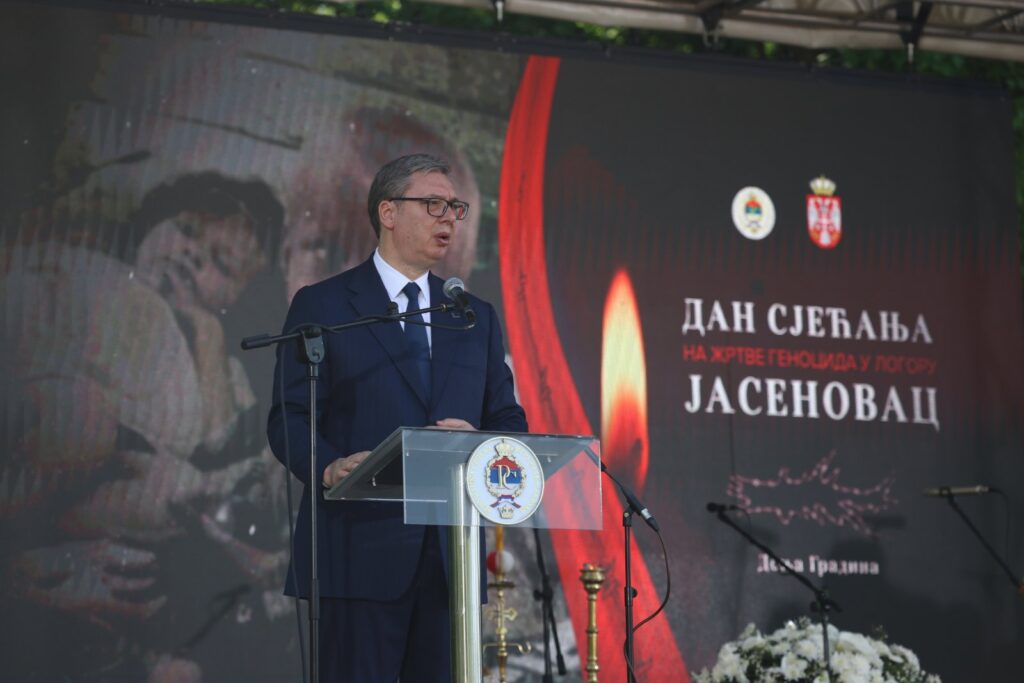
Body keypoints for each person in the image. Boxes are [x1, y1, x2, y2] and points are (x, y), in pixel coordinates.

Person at [267, 153, 527, 682]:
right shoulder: (325, 306)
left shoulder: (472, 317)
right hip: (356, 557)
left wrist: (481, 440)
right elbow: (288, 417)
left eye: (455, 207)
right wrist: (328, 467)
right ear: (388, 212)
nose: (449, 218)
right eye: (433, 204)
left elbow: (509, 421)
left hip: (450, 566)